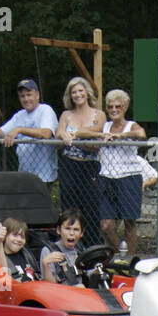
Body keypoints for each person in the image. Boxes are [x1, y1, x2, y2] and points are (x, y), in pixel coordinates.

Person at [80, 89, 145, 256]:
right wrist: (101, 135)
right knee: (106, 225)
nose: (114, 110)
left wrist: (121, 136)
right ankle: (120, 255)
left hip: (128, 177)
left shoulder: (131, 125)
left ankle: (129, 262)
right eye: (110, 107)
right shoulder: (106, 126)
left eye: (118, 106)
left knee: (129, 222)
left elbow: (141, 134)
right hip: (106, 177)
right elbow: (82, 132)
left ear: (124, 107)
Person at [56, 76, 105, 248]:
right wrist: (63, 134)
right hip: (69, 164)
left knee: (90, 207)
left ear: (87, 92)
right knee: (70, 207)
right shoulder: (66, 115)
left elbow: (97, 131)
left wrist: (76, 133)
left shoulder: (99, 114)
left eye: (80, 91)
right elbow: (58, 134)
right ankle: (70, 246)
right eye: (73, 92)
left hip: (90, 166)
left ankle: (90, 246)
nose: (77, 95)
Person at [0, 78, 58, 185]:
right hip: (24, 174)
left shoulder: (45, 110)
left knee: (39, 202)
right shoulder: (19, 115)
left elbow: (46, 133)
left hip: (43, 176)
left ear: (37, 95)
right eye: (22, 96)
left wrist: (19, 129)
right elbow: (1, 132)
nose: (26, 99)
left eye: (29, 95)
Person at [40, 209, 85, 285]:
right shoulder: (49, 251)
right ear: (58, 230)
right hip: (59, 293)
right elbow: (49, 286)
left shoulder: (81, 251)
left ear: (81, 233)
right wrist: (45, 264)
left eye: (76, 229)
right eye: (67, 229)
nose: (71, 233)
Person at [0, 217, 39, 281]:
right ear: (5, 235)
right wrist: (0, 241)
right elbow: (3, 276)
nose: (19, 239)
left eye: (23, 237)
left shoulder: (26, 256)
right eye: (15, 235)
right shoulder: (0, 259)